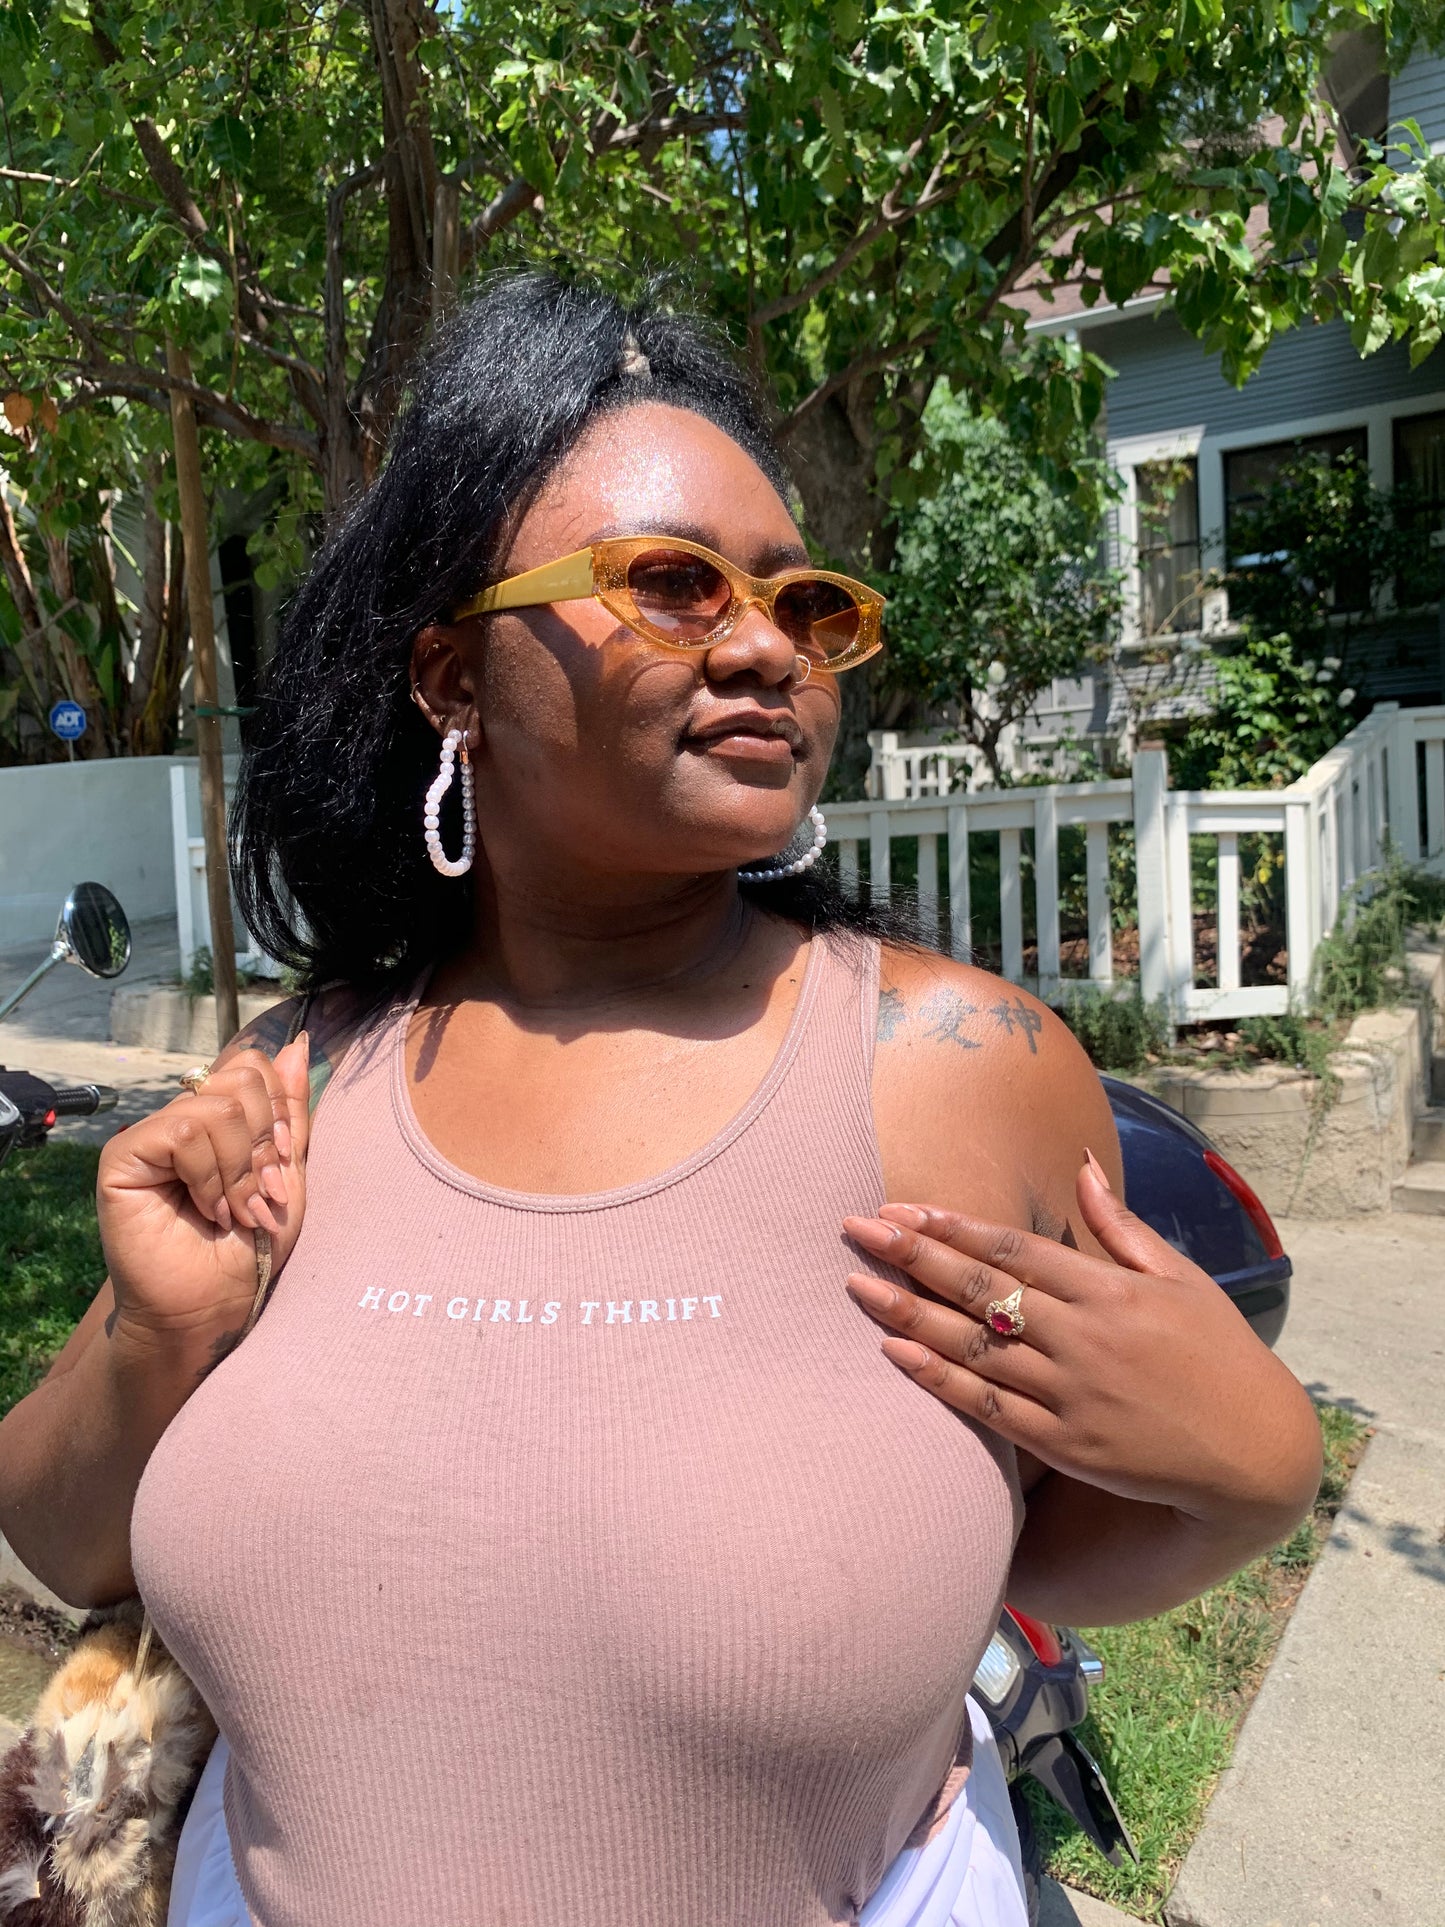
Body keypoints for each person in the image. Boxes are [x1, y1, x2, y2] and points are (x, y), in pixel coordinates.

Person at [0, 272, 1322, 1927]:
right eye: (672, 584)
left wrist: (1259, 1467)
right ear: (450, 680)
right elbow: (63, 1543)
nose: (765, 646)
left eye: (803, 605)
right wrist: (159, 1332)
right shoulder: (300, 1073)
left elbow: (1011, 1559)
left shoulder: (955, 1067)